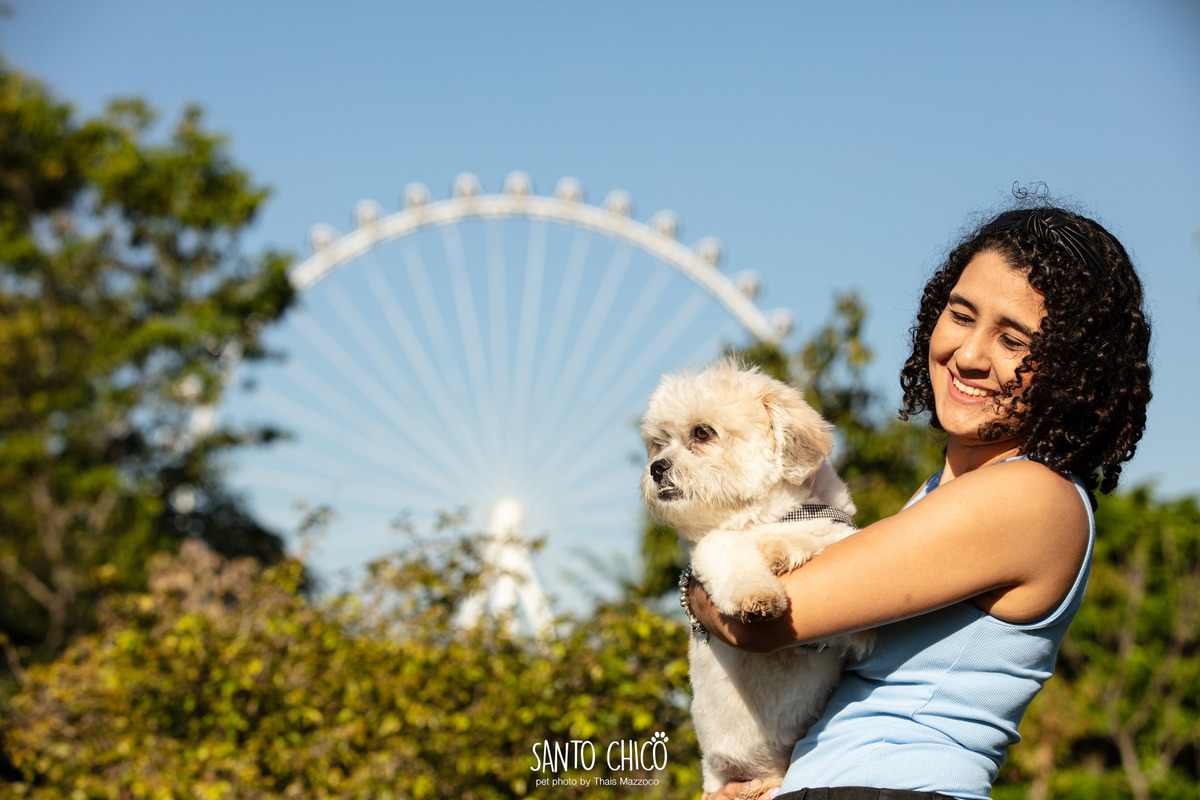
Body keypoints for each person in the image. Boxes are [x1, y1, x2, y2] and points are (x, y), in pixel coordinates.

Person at [685, 202, 1152, 800]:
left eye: (1014, 339)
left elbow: (754, 621)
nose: (970, 354)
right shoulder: (940, 492)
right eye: (961, 315)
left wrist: (704, 565)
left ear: (1072, 371)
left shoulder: (1030, 494)